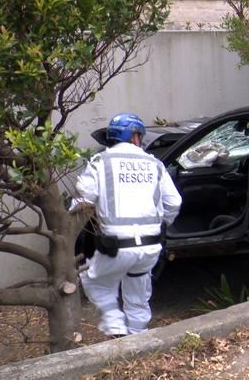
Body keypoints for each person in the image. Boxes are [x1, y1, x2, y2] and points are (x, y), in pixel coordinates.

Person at [75, 112, 181, 338]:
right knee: (138, 295)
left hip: (116, 247)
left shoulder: (100, 161)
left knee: (92, 280)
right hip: (150, 247)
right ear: (135, 136)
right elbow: (175, 202)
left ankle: (116, 327)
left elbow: (83, 199)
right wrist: (162, 223)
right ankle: (137, 337)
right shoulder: (155, 163)